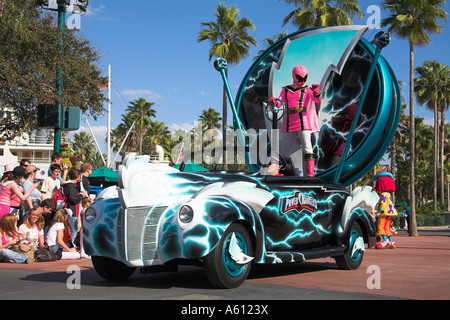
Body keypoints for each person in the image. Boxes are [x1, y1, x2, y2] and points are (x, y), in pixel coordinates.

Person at [269, 65, 322, 177]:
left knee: (307, 147)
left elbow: (316, 99)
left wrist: (316, 91)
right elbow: (279, 103)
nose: (302, 81)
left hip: (304, 121)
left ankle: (310, 175)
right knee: (285, 152)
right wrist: (273, 101)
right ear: (294, 76)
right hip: (289, 123)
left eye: (304, 78)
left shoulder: (307, 90)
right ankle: (287, 173)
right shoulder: (286, 90)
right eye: (300, 78)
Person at [373, 172, 398, 249]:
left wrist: (378, 211)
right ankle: (391, 242)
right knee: (387, 227)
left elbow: (383, 203)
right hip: (390, 212)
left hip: (384, 213)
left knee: (381, 226)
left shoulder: (383, 194)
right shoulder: (388, 194)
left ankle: (385, 241)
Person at [63, 167, 88, 243]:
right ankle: (70, 246)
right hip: (72, 211)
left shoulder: (66, 185)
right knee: (73, 230)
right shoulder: (71, 187)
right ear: (77, 177)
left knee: (69, 230)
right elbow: (74, 200)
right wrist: (81, 195)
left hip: (68, 210)